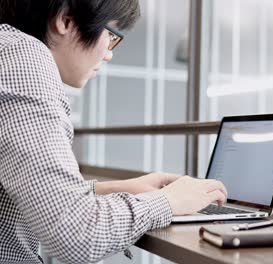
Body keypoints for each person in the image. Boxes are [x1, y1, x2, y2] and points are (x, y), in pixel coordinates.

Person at [0, 0, 228, 263]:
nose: (109, 53)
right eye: (111, 36)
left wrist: (116, 189)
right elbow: (76, 234)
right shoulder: (23, 58)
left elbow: (30, 190)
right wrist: (167, 201)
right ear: (65, 20)